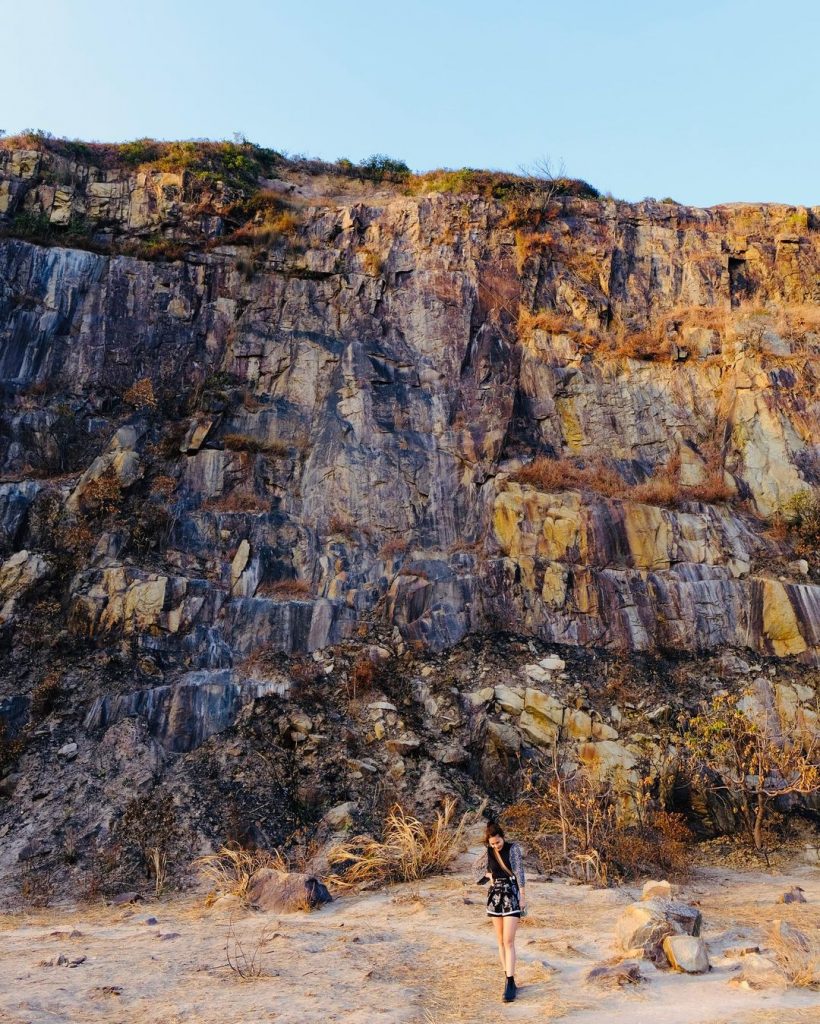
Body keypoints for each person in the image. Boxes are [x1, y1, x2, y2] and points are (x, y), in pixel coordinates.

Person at [473, 821, 527, 1003]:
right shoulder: (488, 852)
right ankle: (507, 976)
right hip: (495, 897)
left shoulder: (513, 849)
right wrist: (488, 876)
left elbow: (519, 872)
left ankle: (510, 982)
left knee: (509, 940)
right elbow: (475, 870)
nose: (496, 845)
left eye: (498, 842)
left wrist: (523, 896)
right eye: (493, 843)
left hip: (511, 895)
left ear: (503, 837)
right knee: (500, 941)